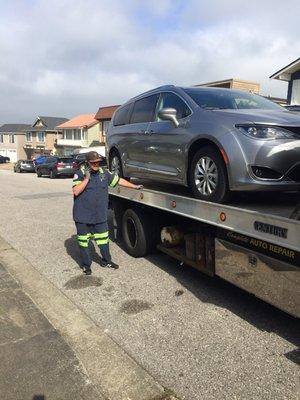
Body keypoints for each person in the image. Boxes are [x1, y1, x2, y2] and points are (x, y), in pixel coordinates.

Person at [72, 151, 141, 274]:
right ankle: (86, 265)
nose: (96, 165)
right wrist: (87, 178)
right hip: (83, 216)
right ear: (87, 163)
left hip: (99, 216)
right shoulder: (79, 174)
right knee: (84, 243)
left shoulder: (104, 173)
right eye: (93, 163)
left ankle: (106, 261)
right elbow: (76, 191)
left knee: (103, 240)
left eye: (98, 162)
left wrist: (134, 186)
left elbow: (118, 180)